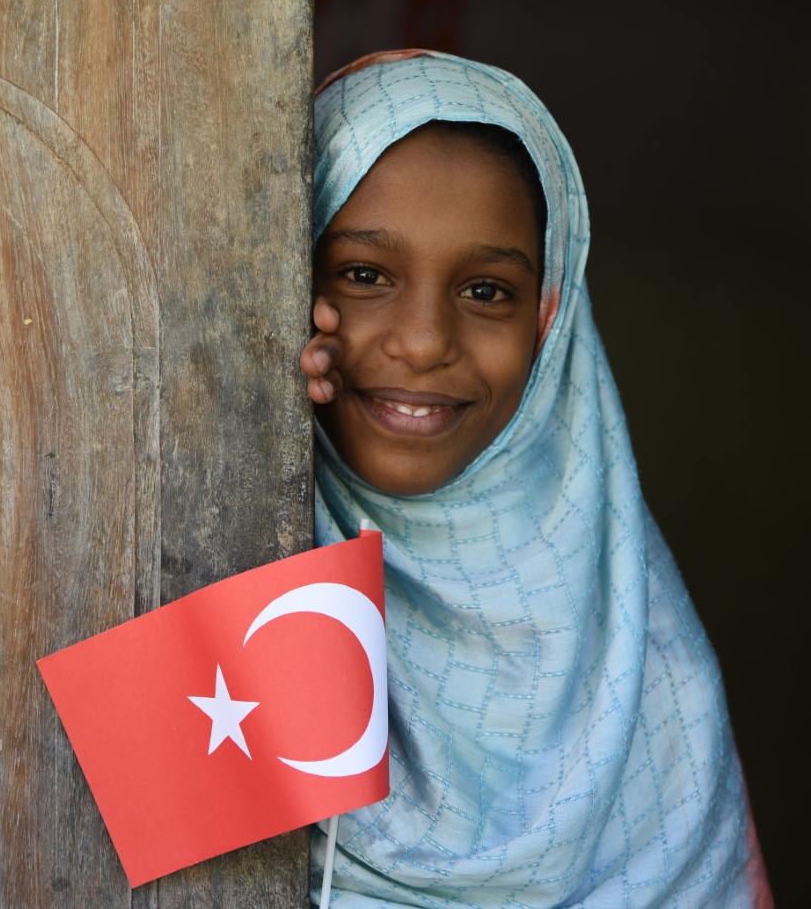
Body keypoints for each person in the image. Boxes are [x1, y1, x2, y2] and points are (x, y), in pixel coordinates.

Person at [298, 50, 771, 907]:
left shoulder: (646, 682)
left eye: (486, 291)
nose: (423, 340)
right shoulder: (207, 550)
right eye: (364, 276)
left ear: (551, 321)